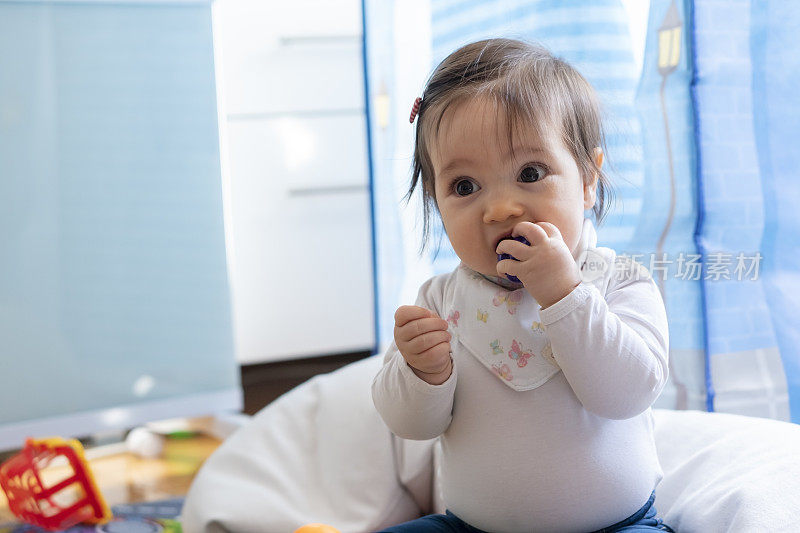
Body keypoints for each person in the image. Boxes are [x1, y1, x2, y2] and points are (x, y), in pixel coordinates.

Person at [371, 38, 676, 533]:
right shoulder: (439, 299)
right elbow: (410, 426)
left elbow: (626, 394)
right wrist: (422, 373)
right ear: (436, 202)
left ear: (586, 181)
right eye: (464, 187)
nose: (501, 209)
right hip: (470, 528)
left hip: (614, 526)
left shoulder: (619, 283)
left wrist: (565, 294)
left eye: (530, 173)